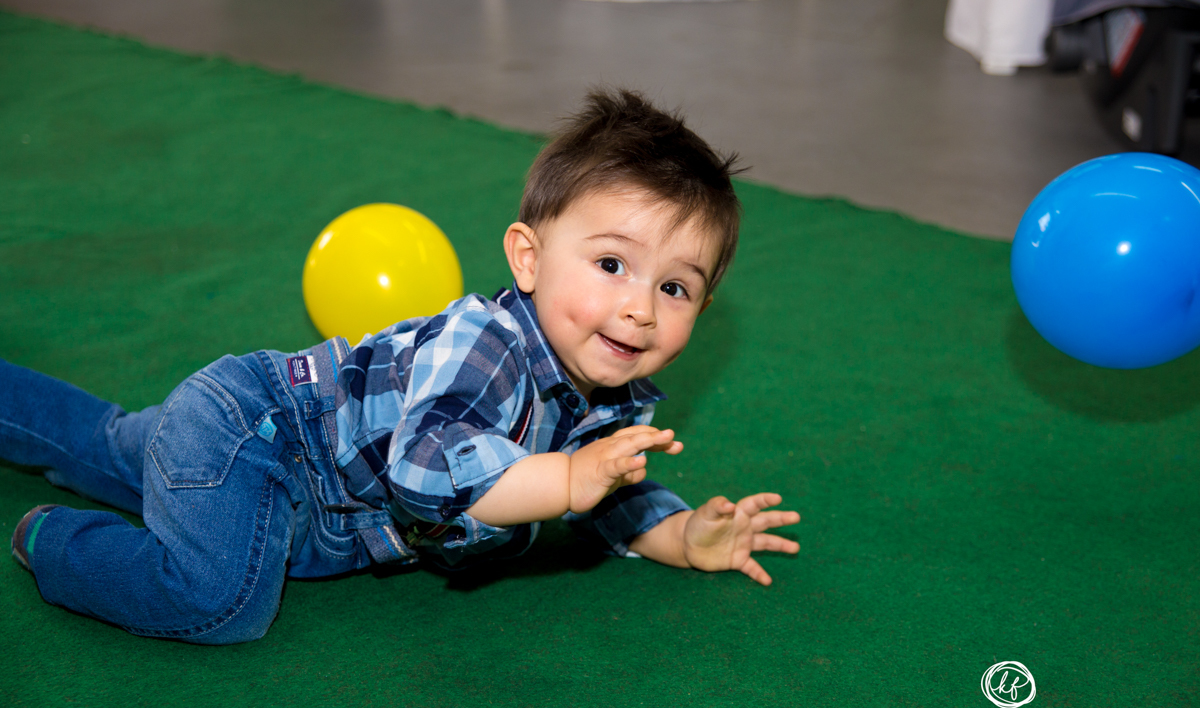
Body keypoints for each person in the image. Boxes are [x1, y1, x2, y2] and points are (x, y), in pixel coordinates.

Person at [2, 88, 800, 645]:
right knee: (220, 602)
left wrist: (684, 535)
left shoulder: (615, 394)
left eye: (674, 287)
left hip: (305, 501)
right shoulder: (484, 345)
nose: (641, 309)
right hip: (258, 437)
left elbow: (613, 496)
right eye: (612, 265)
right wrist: (566, 478)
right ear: (528, 257)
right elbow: (425, 470)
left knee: (109, 448)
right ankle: (52, 542)